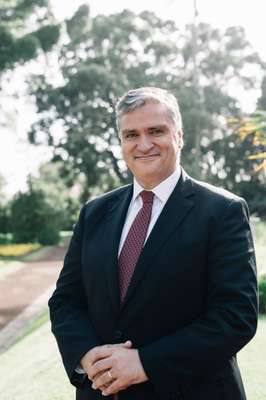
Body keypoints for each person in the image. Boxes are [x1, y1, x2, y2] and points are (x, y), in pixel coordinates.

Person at [48, 87, 258, 400]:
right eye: (131, 134)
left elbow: (235, 316)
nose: (143, 144)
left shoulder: (222, 211)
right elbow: (65, 301)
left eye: (156, 131)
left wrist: (145, 363)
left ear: (179, 136)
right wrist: (88, 356)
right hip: (103, 392)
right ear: (121, 142)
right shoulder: (95, 213)